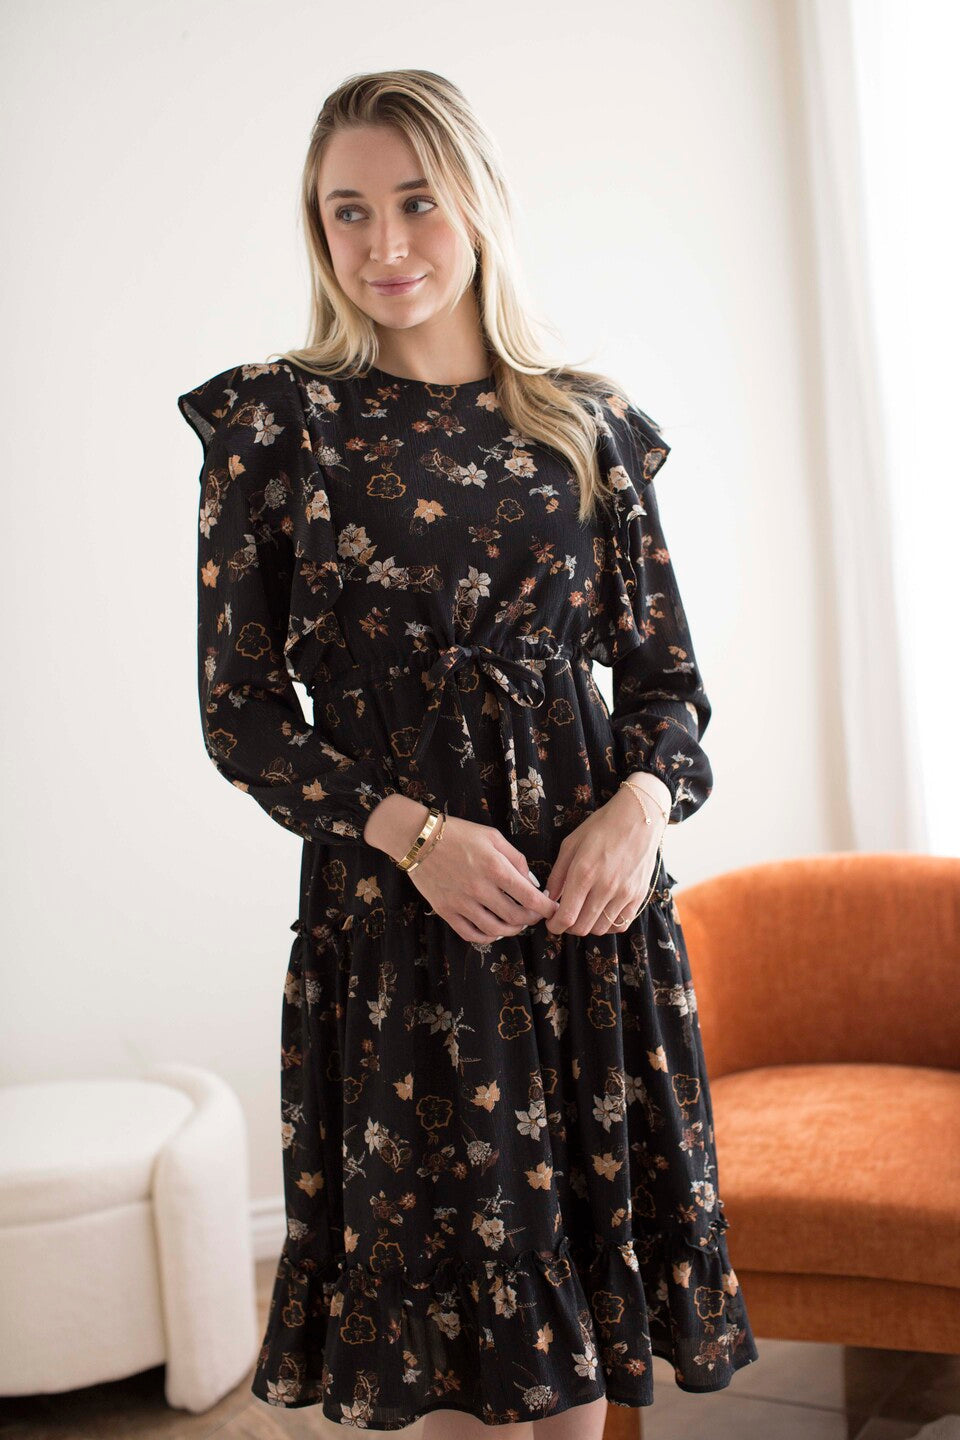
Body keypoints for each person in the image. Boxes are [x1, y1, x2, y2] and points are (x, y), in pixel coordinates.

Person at [176, 68, 759, 1438]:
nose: (384, 245)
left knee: (580, 1341)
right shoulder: (276, 428)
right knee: (448, 1344)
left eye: (417, 202)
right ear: (317, 228)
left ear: (480, 206)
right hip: (401, 933)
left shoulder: (587, 425)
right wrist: (416, 838)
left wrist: (637, 809)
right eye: (349, 211)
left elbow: (670, 686)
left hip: (587, 924)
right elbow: (242, 714)